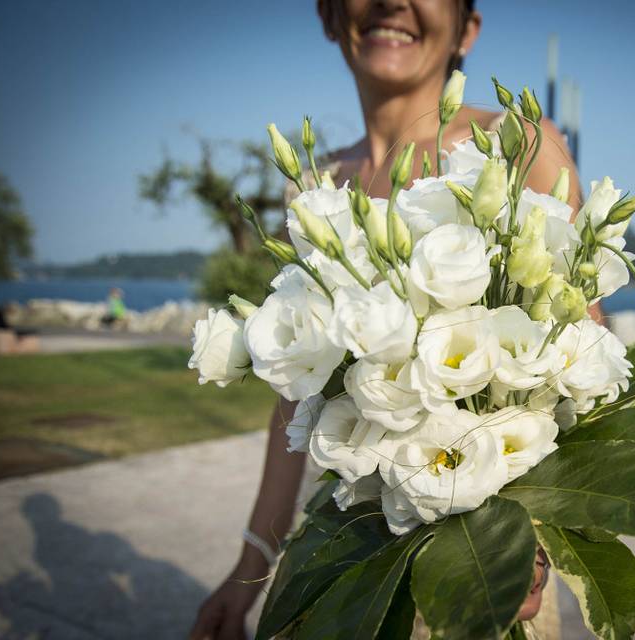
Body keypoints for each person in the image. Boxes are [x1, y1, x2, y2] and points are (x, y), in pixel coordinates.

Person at [190, 1, 584, 638]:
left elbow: (572, 369)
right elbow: (293, 400)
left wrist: (527, 554)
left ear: (468, 28)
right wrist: (249, 569)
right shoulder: (315, 189)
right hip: (350, 558)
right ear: (328, 15)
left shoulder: (519, 147)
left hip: (492, 572)